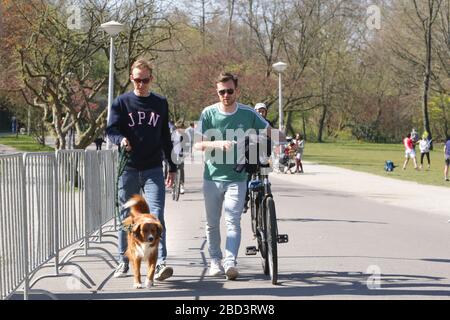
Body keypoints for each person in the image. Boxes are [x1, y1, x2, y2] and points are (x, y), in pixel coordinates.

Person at [194, 72, 284, 280]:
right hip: (212, 177)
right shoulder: (208, 114)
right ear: (217, 92)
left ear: (236, 90)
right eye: (221, 92)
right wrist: (217, 144)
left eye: (229, 91)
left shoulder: (247, 113)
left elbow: (268, 130)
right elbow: (198, 143)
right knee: (212, 223)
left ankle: (230, 262)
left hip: (237, 177)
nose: (226, 95)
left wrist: (283, 138)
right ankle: (215, 261)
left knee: (233, 220)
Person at [106, 58, 176, 280]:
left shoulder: (160, 103)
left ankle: (161, 261)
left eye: (145, 80)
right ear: (131, 79)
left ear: (151, 79)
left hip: (153, 167)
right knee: (127, 217)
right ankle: (123, 261)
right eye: (137, 80)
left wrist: (172, 167)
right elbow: (111, 130)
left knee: (156, 215)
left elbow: (165, 137)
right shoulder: (121, 102)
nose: (141, 84)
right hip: (129, 167)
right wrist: (121, 140)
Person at [171, 120, 186, 194]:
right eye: (179, 128)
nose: (181, 129)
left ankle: (182, 185)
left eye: (182, 128)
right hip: (172, 153)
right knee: (171, 168)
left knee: (181, 168)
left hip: (180, 154)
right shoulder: (172, 134)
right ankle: (173, 184)